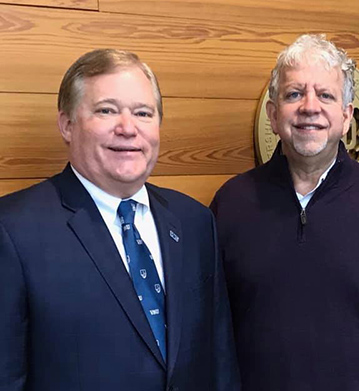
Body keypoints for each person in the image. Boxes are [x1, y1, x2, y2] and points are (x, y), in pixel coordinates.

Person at [210, 34, 359, 391]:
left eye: (326, 95)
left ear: (346, 115)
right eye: (294, 94)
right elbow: (211, 332)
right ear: (274, 116)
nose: (310, 107)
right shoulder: (232, 203)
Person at [0, 49, 239, 391]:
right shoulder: (12, 231)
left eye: (143, 113)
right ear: (67, 125)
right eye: (106, 110)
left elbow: (220, 363)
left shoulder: (195, 221)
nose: (128, 128)